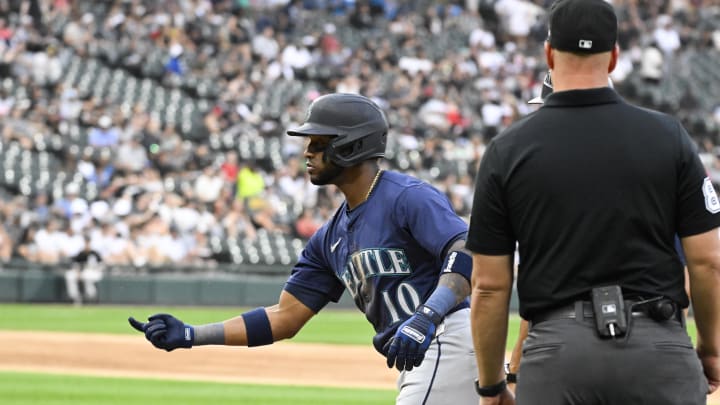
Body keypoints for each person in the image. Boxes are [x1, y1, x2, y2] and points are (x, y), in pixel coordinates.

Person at [128, 93, 479, 404]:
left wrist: (427, 316)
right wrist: (192, 334)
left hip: (445, 338)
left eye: (319, 141)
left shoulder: (407, 197)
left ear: (351, 145)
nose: (308, 151)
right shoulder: (330, 237)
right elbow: (284, 318)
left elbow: (465, 249)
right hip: (417, 357)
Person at [466, 0, 720, 404]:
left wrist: (492, 386)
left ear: (548, 53)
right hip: (658, 348)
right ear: (614, 57)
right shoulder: (668, 136)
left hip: (558, 355)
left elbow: (490, 287)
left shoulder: (507, 150)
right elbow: (707, 261)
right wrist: (710, 347)